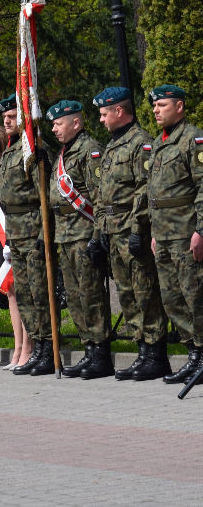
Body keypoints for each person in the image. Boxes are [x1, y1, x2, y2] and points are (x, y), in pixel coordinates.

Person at [93, 87, 169, 381]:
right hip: (113, 232)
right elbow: (104, 195)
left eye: (104, 114)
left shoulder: (141, 144)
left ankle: (156, 354)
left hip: (131, 230)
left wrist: (138, 228)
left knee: (145, 291)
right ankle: (142, 351)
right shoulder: (112, 147)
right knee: (126, 293)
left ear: (119, 111)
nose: (100, 120)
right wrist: (100, 231)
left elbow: (144, 189)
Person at [46, 100, 113, 379]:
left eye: (58, 123)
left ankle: (101, 354)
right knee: (74, 296)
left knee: (91, 295)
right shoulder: (64, 153)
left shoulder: (89, 150)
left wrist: (99, 236)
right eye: (52, 124)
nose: (54, 129)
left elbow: (99, 197)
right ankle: (89, 349)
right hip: (65, 234)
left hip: (84, 233)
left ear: (76, 123)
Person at [145, 84, 203, 384]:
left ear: (179, 106)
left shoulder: (193, 139)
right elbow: (155, 194)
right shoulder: (158, 143)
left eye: (162, 105)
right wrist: (154, 233)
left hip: (185, 233)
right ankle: (194, 353)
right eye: (155, 106)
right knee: (172, 299)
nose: (156, 110)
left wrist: (200, 231)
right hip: (164, 234)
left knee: (195, 296)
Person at [0, 94, 55, 376]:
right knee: (25, 294)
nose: (6, 122)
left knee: (39, 291)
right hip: (16, 230)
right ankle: (38, 347)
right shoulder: (10, 151)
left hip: (33, 226)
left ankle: (47, 348)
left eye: (11, 117)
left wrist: (45, 231)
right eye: (4, 118)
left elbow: (46, 194)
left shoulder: (33, 148)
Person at [0, 125, 32, 370]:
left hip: (18, 238)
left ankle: (27, 347)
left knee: (24, 294)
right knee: (12, 294)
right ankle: (18, 346)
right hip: (4, 241)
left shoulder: (12, 169)